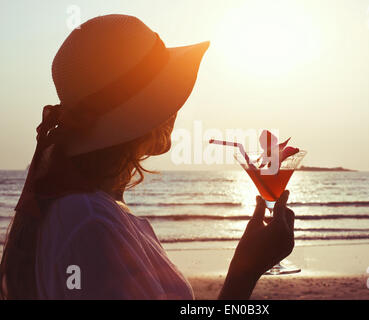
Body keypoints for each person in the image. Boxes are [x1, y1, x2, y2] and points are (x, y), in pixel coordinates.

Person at [0, 14, 295, 300]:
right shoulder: (90, 223)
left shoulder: (92, 212)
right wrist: (246, 271)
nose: (177, 108)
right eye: (167, 94)